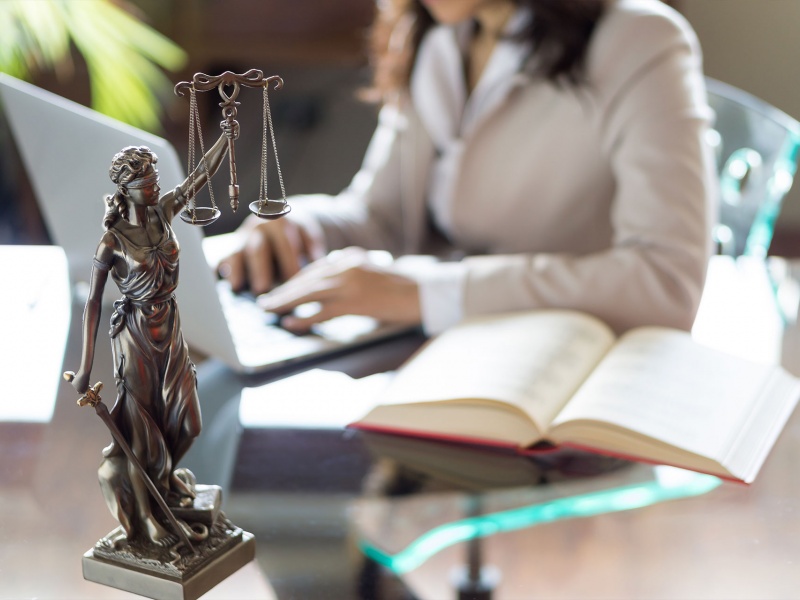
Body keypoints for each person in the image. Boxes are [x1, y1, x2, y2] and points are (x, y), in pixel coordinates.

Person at [219, 0, 716, 337]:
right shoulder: (439, 36)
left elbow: (666, 282)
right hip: (442, 361)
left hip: (568, 380)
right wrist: (300, 226)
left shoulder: (640, 38)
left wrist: (427, 292)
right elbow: (382, 218)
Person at [68, 126, 235, 546]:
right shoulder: (112, 241)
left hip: (171, 328)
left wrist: (226, 137)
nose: (155, 186)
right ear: (126, 188)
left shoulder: (163, 212)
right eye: (146, 182)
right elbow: (92, 302)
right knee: (142, 435)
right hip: (136, 335)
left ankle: (160, 481)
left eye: (155, 180)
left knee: (190, 424)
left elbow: (197, 177)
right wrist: (86, 369)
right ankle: (149, 513)